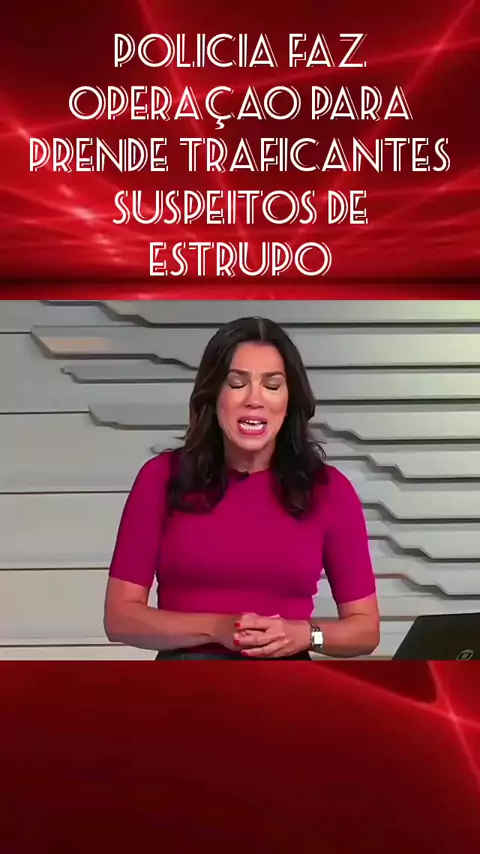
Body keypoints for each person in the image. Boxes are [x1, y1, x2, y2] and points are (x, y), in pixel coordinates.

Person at [104, 316, 380, 660]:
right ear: (214, 395)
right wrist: (217, 629)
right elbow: (120, 618)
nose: (254, 399)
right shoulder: (160, 478)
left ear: (289, 401)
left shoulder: (330, 490)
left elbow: (365, 630)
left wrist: (306, 635)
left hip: (287, 684)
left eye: (272, 385)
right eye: (237, 383)